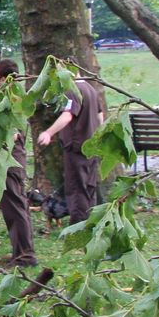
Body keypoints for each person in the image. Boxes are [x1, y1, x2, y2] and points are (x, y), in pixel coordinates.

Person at [36, 78, 105, 226]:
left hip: (77, 147)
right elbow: (100, 116)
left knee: (76, 188)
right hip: (92, 146)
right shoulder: (91, 89)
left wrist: (48, 133)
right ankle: (91, 223)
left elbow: (68, 115)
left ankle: (79, 228)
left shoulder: (72, 91)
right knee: (89, 187)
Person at [0, 59, 36, 268]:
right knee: (12, 207)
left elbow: (13, 133)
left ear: (3, 78)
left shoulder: (13, 100)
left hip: (11, 160)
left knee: (16, 206)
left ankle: (25, 256)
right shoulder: (7, 97)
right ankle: (19, 251)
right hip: (6, 159)